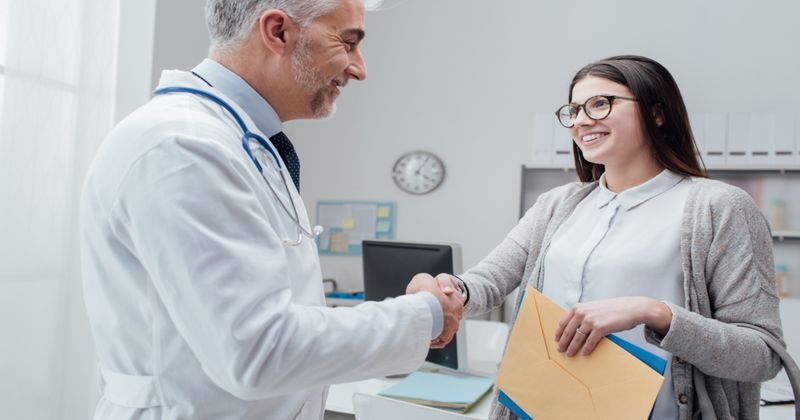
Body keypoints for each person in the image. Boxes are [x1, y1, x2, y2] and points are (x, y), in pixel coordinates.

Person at [79, 1, 463, 419]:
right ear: (278, 31)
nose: (358, 69)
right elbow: (259, 351)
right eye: (348, 43)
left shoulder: (247, 142)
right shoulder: (183, 148)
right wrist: (423, 313)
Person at [437, 55, 785, 419]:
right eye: (573, 110)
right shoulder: (558, 205)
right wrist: (448, 292)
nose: (582, 120)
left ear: (657, 113)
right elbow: (488, 281)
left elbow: (762, 355)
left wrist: (655, 312)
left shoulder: (720, 207)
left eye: (600, 104)